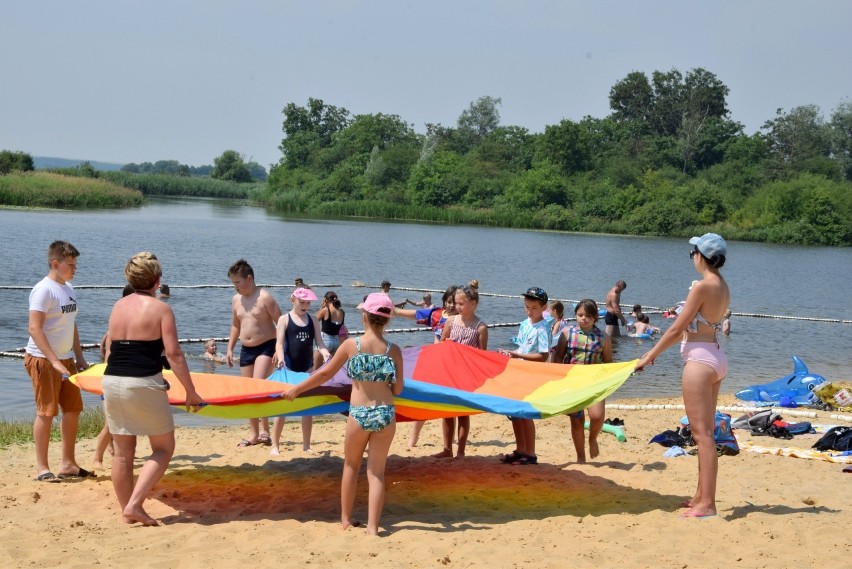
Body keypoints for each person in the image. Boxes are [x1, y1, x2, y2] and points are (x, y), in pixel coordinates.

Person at [282, 293, 403, 536]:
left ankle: (346, 520)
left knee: (350, 465)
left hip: (359, 413)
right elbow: (398, 389)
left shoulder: (351, 346)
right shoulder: (394, 350)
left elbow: (324, 374)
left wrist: (296, 389)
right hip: (385, 414)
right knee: (376, 472)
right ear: (387, 321)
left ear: (364, 317)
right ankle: (372, 528)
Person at [102, 252, 204, 526]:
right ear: (157, 281)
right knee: (163, 448)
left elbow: (110, 349)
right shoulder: (161, 309)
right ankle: (135, 504)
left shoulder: (118, 306)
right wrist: (190, 391)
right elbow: (174, 354)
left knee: (123, 453)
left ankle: (128, 511)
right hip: (143, 380)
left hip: (112, 379)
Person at [635, 233, 730, 519]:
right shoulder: (722, 285)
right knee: (706, 434)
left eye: (693, 253)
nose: (692, 257)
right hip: (715, 356)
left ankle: (708, 504)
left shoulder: (701, 286)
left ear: (702, 256)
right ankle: (700, 496)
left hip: (699, 361)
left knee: (702, 436)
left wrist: (649, 356)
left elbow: (677, 330)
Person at [25, 241, 91, 482]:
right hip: (44, 360)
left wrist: (80, 357)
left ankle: (68, 464)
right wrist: (53, 361)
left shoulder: (69, 287)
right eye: (70, 264)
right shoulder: (43, 290)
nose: (74, 268)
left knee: (73, 410)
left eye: (75, 264)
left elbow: (70, 324)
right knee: (46, 412)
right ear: (55, 263)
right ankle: (42, 468)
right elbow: (34, 328)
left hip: (67, 359)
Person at [226, 259, 282, 447]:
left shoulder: (264, 297)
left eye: (237, 282)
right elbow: (236, 325)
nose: (235, 287)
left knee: (258, 387)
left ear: (249, 278)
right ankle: (253, 433)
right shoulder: (236, 300)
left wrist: (280, 350)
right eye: (233, 283)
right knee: (247, 392)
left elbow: (281, 323)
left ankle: (265, 430)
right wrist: (229, 348)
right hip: (246, 349)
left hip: (266, 346)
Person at [271, 286, 331, 455]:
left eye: (307, 302)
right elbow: (280, 344)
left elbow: (319, 342)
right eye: (301, 302)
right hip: (288, 367)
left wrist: (325, 353)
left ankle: (306, 445)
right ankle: (275, 445)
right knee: (282, 408)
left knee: (307, 409)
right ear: (293, 300)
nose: (305, 305)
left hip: (308, 367)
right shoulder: (284, 319)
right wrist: (281, 358)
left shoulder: (313, 319)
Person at [552, 299, 613, 463]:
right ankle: (580, 457)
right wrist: (556, 377)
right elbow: (558, 356)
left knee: (597, 416)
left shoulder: (603, 338)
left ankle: (593, 439)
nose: (584, 318)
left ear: (595, 318)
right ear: (575, 315)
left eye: (588, 316)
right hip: (573, 383)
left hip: (595, 382)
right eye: (580, 315)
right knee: (577, 420)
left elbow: (608, 363)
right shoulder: (567, 333)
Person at [497, 287, 552, 466]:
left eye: (534, 307)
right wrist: (509, 355)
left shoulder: (543, 328)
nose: (530, 311)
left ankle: (530, 453)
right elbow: (521, 348)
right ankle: (520, 449)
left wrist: (516, 355)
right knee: (514, 413)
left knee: (525, 413)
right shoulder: (524, 324)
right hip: (517, 372)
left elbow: (543, 356)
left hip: (531, 374)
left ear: (543, 307)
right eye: (527, 307)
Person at [434, 282, 488, 458]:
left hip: (466, 375)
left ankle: (461, 451)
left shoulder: (480, 327)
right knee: (447, 412)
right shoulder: (450, 321)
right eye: (456, 303)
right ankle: (447, 448)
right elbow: (441, 345)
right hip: (449, 373)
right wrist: (447, 345)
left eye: (461, 304)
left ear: (473, 304)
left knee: (463, 413)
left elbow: (482, 355)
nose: (457, 307)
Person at [94, 283, 136, 471]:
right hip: (112, 377)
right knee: (110, 423)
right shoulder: (116, 325)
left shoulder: (125, 322)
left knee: (118, 422)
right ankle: (97, 458)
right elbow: (106, 349)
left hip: (123, 377)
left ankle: (111, 449)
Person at [313, 291, 346, 370]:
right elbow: (342, 328)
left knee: (316, 369)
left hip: (325, 341)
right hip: (336, 342)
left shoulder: (326, 310)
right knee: (329, 369)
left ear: (325, 300)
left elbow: (314, 320)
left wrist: (321, 308)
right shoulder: (342, 312)